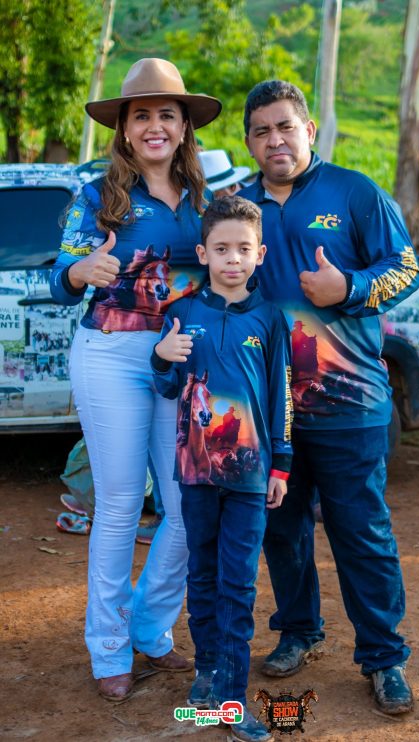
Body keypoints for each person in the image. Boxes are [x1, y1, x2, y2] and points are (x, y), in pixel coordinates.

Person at [240, 80, 419, 715]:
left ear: (309, 129)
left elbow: (405, 268)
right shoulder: (237, 206)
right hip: (270, 410)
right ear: (249, 141)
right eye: (261, 130)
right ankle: (299, 631)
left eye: (285, 126)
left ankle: (384, 657)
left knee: (361, 532)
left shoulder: (355, 193)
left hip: (350, 401)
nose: (275, 139)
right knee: (281, 530)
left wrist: (348, 285)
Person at [49, 57, 221, 702]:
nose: (154, 125)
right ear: (123, 129)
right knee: (121, 505)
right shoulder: (98, 196)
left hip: (182, 358)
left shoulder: (206, 199)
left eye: (165, 115)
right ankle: (108, 647)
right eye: (140, 115)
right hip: (112, 355)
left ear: (183, 127)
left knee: (184, 508)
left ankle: (151, 628)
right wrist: (77, 273)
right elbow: (58, 276)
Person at [151, 196, 293, 742]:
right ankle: (206, 674)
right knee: (202, 574)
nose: (232, 259)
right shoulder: (184, 313)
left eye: (243, 248)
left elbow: (281, 397)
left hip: (252, 476)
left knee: (239, 581)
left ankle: (232, 699)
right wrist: (162, 355)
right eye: (221, 248)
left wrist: (281, 465)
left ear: (260, 253)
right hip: (196, 474)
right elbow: (165, 387)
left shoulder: (270, 319)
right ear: (203, 252)